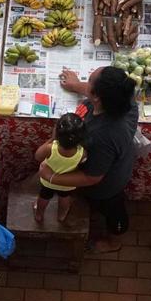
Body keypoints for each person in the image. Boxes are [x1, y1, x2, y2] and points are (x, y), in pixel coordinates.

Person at [40, 67, 139, 254]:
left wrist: (51, 177)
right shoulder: (122, 98)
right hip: (108, 160)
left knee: (112, 210)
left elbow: (92, 177)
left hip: (107, 184)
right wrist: (75, 85)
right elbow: (93, 92)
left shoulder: (104, 135)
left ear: (97, 97)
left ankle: (114, 241)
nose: (88, 80)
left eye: (90, 79)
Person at [33, 113, 87, 224]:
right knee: (65, 198)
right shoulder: (82, 153)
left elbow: (37, 156)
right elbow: (82, 164)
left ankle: (39, 215)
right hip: (67, 184)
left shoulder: (50, 148)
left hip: (47, 182)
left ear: (56, 132)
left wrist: (51, 139)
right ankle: (61, 215)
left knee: (44, 197)